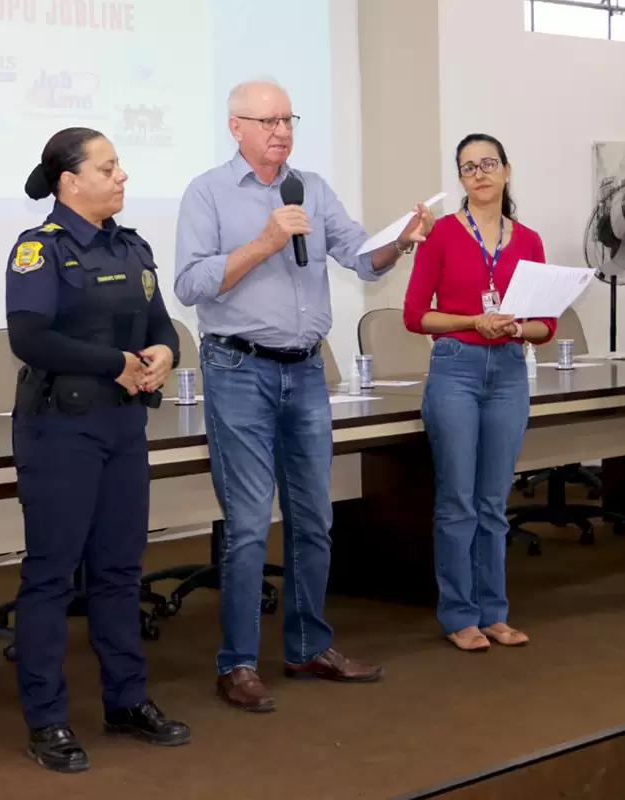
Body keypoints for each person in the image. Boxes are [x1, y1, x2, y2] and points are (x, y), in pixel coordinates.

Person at [174, 79, 435, 712]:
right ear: (235, 126)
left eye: (287, 119)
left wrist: (399, 241)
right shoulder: (206, 192)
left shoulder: (311, 188)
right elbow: (189, 284)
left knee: (314, 516)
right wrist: (263, 242)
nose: (281, 131)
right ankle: (236, 663)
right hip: (238, 369)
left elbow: (359, 258)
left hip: (307, 371)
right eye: (266, 121)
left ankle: (307, 645)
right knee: (245, 524)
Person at [6, 127, 191, 773]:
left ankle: (127, 701)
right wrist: (115, 362)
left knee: (118, 570)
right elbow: (29, 339)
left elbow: (161, 324)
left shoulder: (132, 245)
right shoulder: (40, 249)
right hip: (60, 429)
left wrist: (165, 351)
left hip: (121, 427)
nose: (122, 177)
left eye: (120, 167)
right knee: (52, 575)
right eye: (108, 167)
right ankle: (48, 719)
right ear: (70, 181)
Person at [403, 133, 556, 653]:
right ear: (461, 179)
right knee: (458, 501)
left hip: (510, 370)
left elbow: (546, 325)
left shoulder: (529, 240)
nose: (480, 174)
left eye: (488, 164)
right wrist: (475, 320)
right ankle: (459, 614)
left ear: (507, 171)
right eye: (468, 168)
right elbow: (414, 315)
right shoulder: (443, 233)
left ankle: (495, 612)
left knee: (493, 502)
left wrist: (513, 329)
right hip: (456, 369)